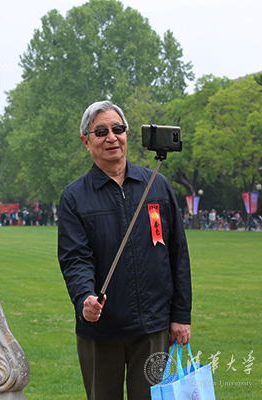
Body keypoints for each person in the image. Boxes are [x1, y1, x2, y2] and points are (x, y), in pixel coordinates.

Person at [57, 101, 192, 400]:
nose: (111, 137)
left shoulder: (157, 186)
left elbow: (177, 255)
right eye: (101, 131)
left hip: (153, 327)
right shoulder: (74, 198)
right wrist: (84, 298)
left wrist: (181, 315)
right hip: (102, 329)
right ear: (86, 140)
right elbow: (74, 258)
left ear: (127, 134)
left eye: (118, 129)